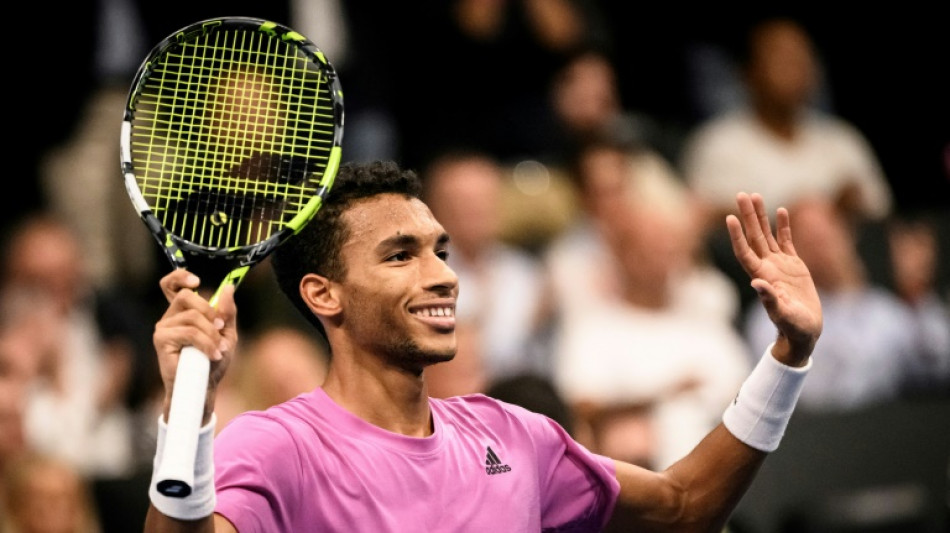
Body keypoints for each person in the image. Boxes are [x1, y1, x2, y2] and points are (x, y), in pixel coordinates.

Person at [144, 161, 822, 532]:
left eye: (439, 249)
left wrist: (789, 352)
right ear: (325, 295)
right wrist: (187, 408)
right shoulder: (274, 448)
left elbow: (684, 505)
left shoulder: (516, 438)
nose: (441, 272)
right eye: (400, 254)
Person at [421, 149, 554, 396]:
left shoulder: (526, 274)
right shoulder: (421, 277)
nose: (476, 211)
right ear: (434, 208)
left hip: (520, 406)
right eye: (463, 202)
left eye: (484, 199)